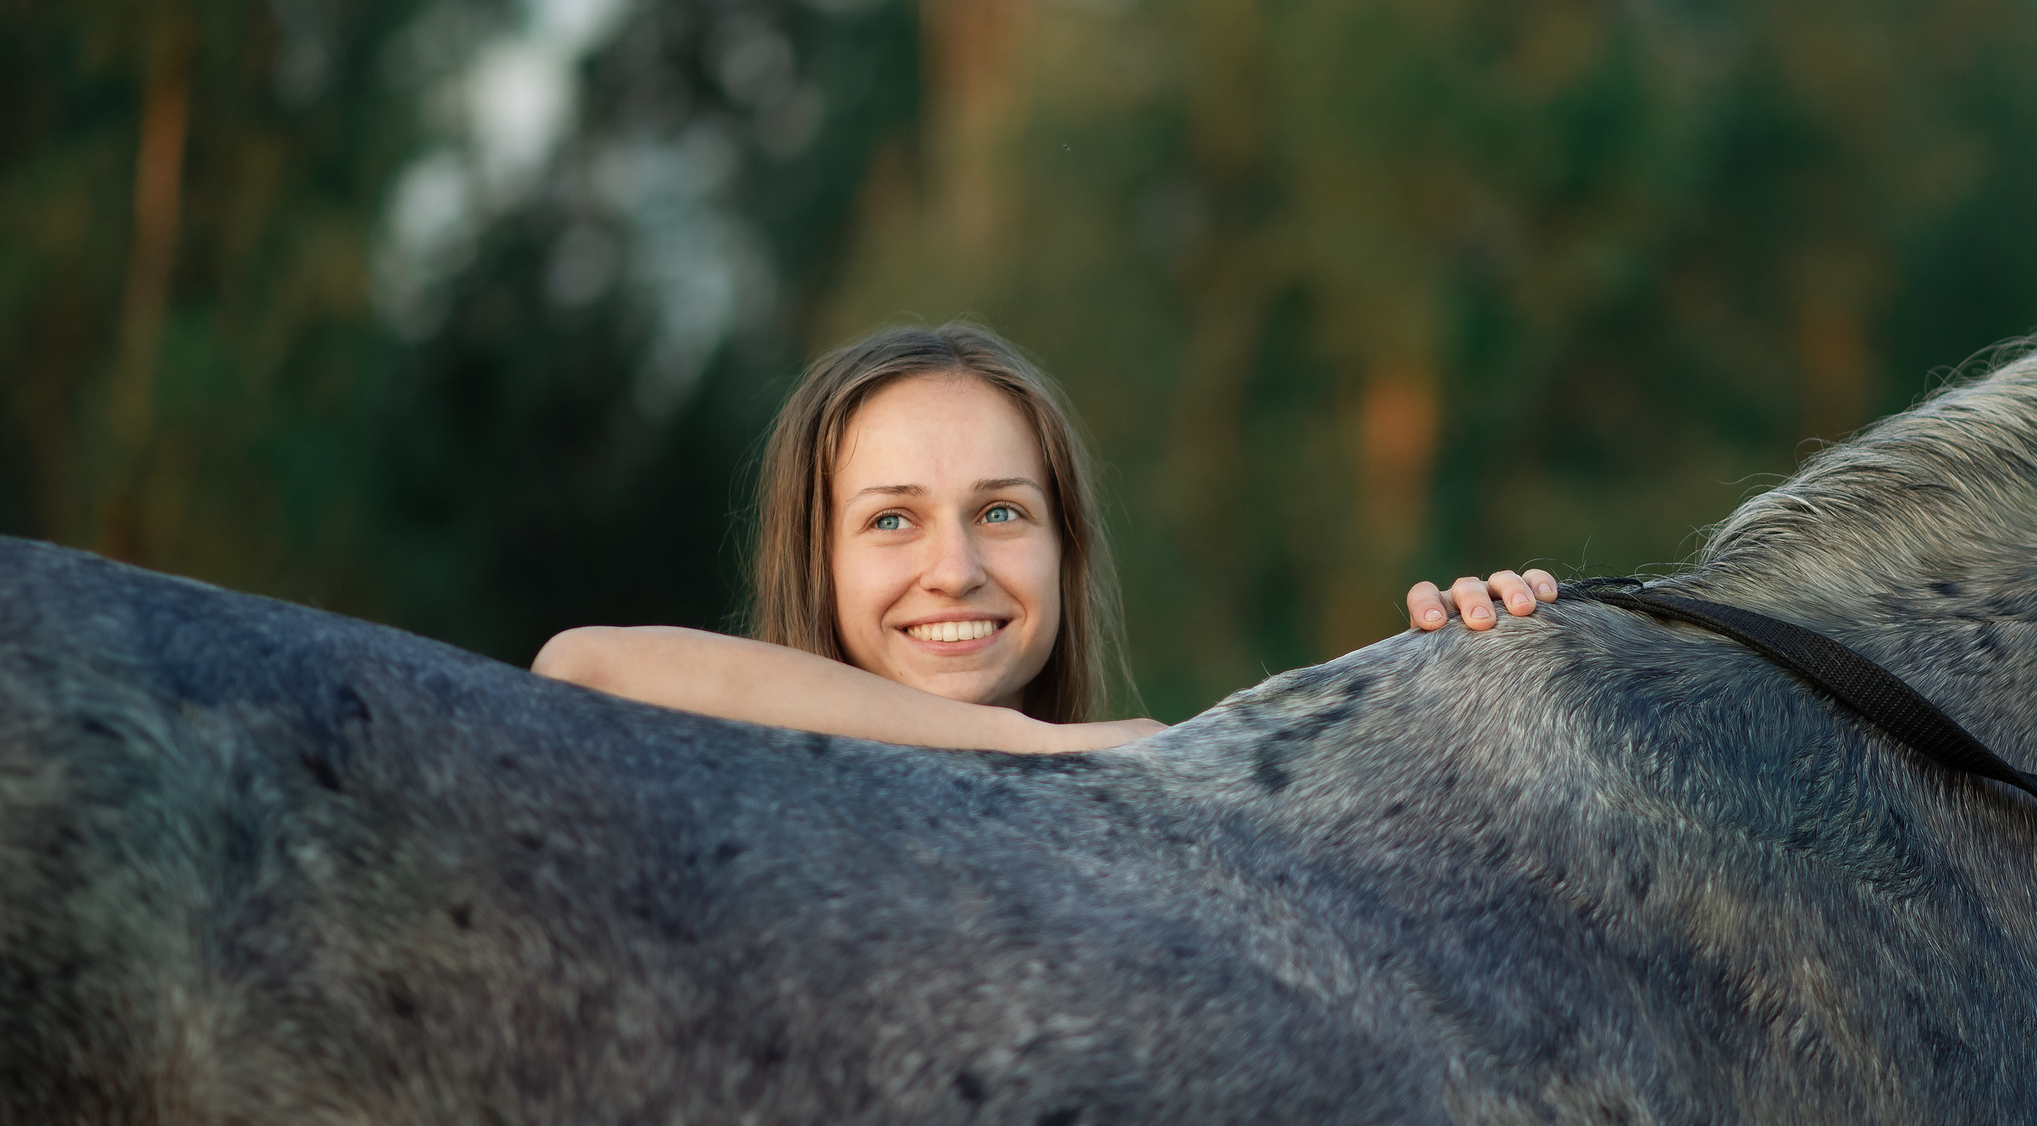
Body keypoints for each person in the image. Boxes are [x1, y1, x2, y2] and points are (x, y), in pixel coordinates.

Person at [534, 323, 1558, 751]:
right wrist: (1040, 748)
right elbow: (580, 668)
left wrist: (1466, 693)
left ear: (1065, 549)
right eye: (891, 519)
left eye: (1001, 512)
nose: (955, 570)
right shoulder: (742, 804)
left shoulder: (1154, 820)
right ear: (819, 563)